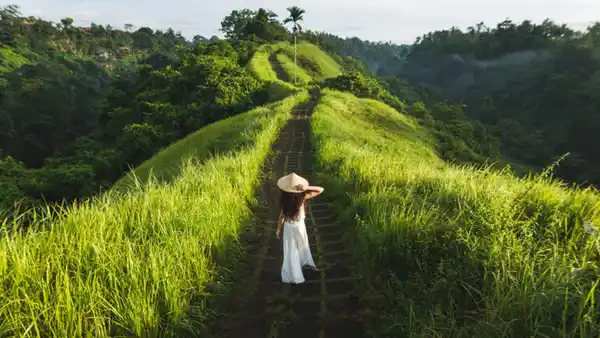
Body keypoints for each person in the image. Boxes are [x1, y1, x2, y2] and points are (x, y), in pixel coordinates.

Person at [276, 172, 324, 284]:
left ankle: (294, 274)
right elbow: (320, 189)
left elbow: (281, 216)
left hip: (289, 227)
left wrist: (278, 229)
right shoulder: (302, 197)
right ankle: (302, 268)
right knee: (302, 246)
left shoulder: (285, 199)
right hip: (299, 226)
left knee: (291, 250)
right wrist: (307, 187)